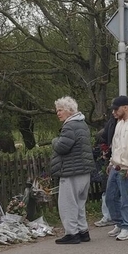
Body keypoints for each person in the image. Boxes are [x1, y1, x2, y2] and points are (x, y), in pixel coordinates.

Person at [51, 96, 95, 244]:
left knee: (67, 203)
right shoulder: (82, 124)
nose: (58, 113)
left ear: (69, 111)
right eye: (57, 110)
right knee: (80, 203)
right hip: (84, 170)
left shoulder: (70, 126)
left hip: (71, 170)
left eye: (60, 110)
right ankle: (83, 231)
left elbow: (62, 147)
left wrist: (54, 140)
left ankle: (72, 233)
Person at [104, 96, 128, 241]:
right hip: (116, 165)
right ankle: (120, 222)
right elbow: (116, 145)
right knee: (110, 196)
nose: (114, 112)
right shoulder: (120, 123)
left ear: (126, 107)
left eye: (116, 109)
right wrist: (111, 162)